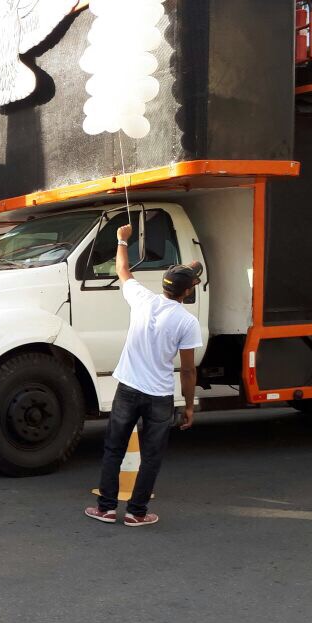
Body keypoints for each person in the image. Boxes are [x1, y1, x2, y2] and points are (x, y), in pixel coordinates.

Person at [85, 223, 203, 527]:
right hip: (160, 396)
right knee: (151, 455)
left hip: (128, 388)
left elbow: (123, 270)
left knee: (114, 448)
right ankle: (137, 512)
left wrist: (122, 240)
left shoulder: (142, 299)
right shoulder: (187, 322)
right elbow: (188, 370)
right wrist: (188, 405)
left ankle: (106, 508)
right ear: (187, 291)